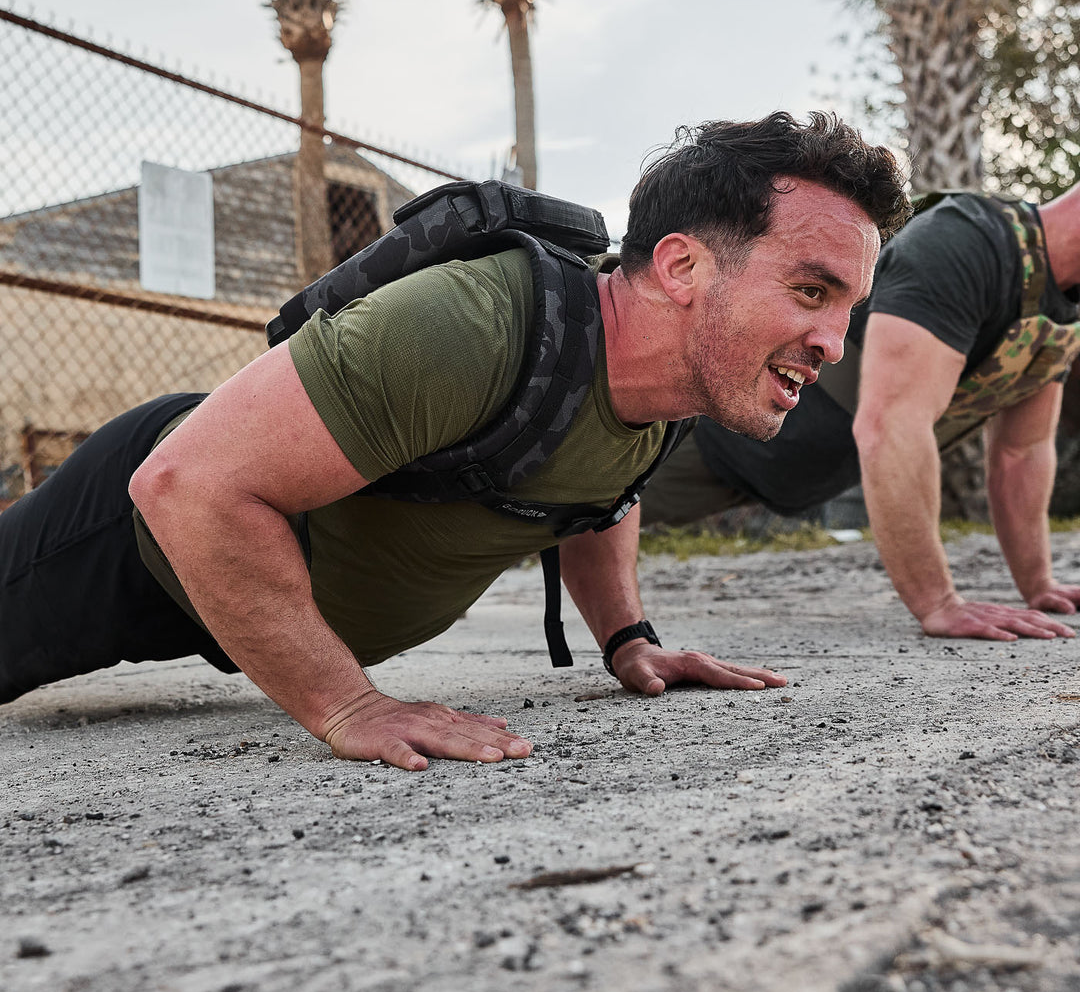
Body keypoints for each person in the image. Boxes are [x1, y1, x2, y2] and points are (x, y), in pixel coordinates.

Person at [0, 112, 908, 769]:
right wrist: (347, 704)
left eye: (849, 311)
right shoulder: (477, 327)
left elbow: (598, 495)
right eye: (811, 290)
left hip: (251, 611)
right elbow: (188, 486)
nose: (835, 344)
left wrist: (628, 638)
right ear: (682, 267)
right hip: (141, 541)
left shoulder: (669, 390)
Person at [642, 185, 1080, 642]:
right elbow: (891, 426)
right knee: (577, 509)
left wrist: (1040, 586)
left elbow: (1022, 451)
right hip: (710, 438)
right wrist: (939, 604)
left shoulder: (1059, 307)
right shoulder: (966, 243)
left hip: (792, 469)